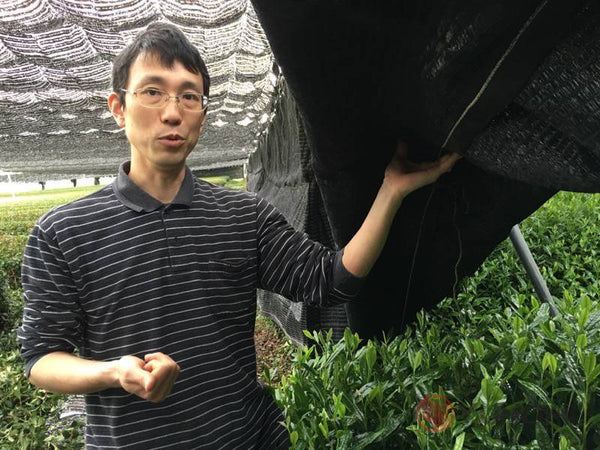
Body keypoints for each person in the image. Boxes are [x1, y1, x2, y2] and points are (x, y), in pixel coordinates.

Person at [18, 23, 460, 449]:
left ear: (202, 115)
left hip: (248, 438)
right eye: (152, 91)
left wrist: (390, 192)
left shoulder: (243, 215)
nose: (172, 112)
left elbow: (331, 279)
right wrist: (114, 372)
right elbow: (41, 359)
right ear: (118, 107)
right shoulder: (63, 233)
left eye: (189, 96)